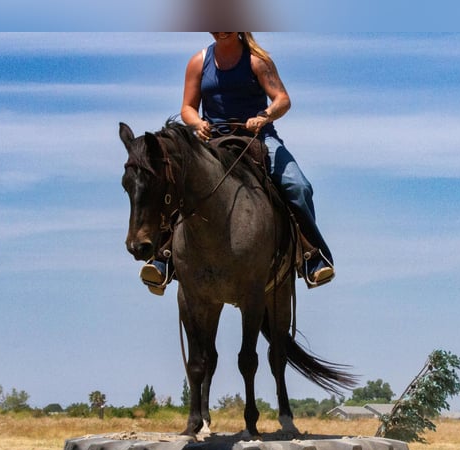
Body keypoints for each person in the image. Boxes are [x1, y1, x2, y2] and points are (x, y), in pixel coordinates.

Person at [140, 32, 335, 293]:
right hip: (214, 141)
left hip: (259, 138)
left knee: (298, 186)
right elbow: (187, 107)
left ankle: (312, 256)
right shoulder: (198, 62)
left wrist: (264, 115)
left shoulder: (257, 60)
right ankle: (163, 259)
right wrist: (197, 123)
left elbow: (282, 100)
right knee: (177, 183)